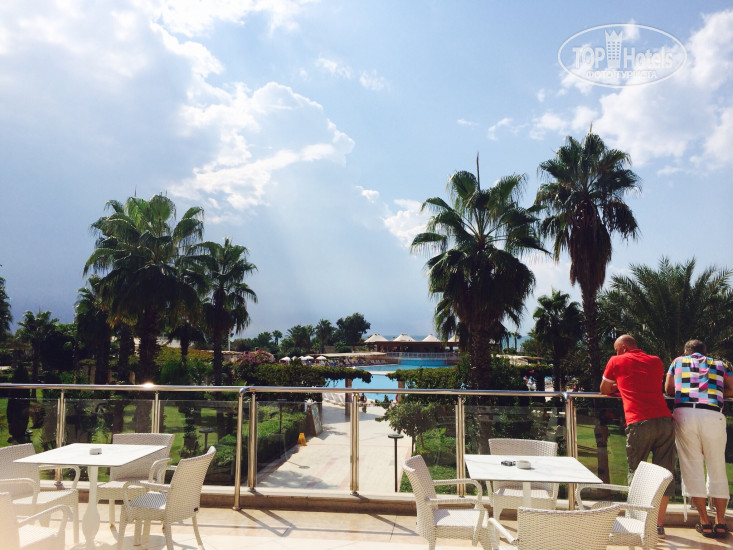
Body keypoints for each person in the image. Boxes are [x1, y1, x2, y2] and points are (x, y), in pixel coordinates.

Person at [600, 334, 674, 537]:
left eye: (617, 350)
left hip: (639, 422)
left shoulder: (616, 361)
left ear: (623, 348)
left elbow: (604, 389)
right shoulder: (656, 361)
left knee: (636, 471)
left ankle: (637, 523)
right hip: (665, 421)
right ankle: (658, 525)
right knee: (665, 473)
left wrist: (618, 385)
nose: (616, 353)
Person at [665, 339, 733, 539]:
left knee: (691, 466)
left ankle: (704, 522)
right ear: (705, 351)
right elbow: (731, 389)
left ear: (686, 351)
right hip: (712, 414)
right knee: (717, 466)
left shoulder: (677, 362)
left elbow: (669, 389)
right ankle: (721, 522)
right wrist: (715, 392)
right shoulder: (721, 364)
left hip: (685, 414)